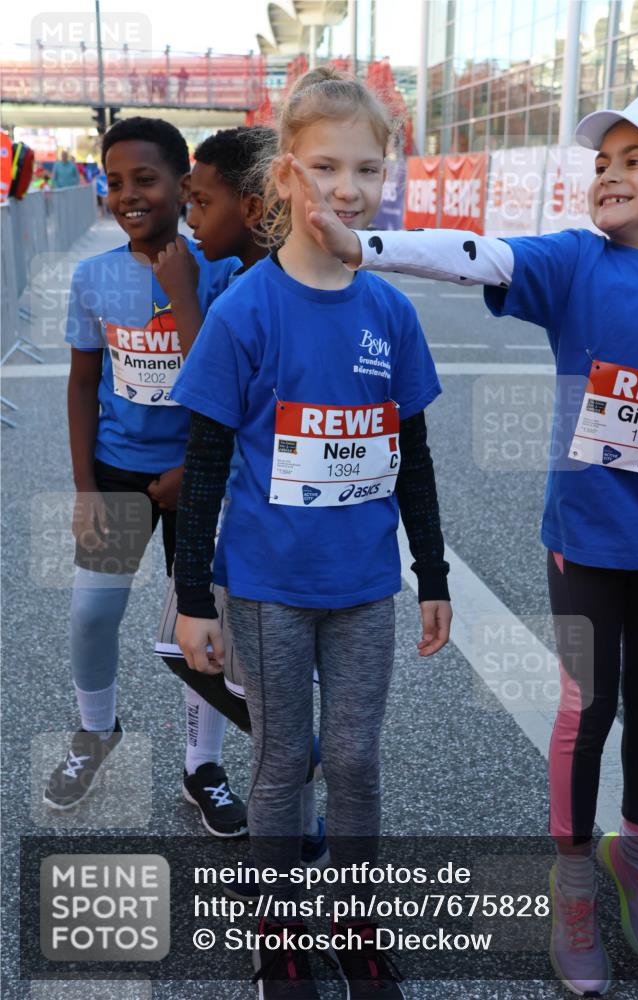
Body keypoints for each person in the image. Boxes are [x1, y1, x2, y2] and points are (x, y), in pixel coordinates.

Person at [290, 90, 638, 995]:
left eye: (637, 159)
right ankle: (574, 880)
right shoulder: (579, 263)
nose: (609, 174)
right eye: (601, 162)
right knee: (590, 706)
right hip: (588, 543)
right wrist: (367, 246)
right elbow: (476, 254)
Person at [172, 68, 452, 999]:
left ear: (387, 175)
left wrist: (436, 575)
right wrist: (189, 600)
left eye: (367, 168)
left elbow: (410, 455)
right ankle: (277, 928)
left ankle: (356, 915)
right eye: (326, 166)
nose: (348, 187)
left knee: (361, 757)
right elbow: (205, 464)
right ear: (287, 175)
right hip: (265, 589)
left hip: (366, 586)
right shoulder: (246, 309)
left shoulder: (391, 310)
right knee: (285, 756)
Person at [43, 116, 247, 841]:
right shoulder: (94, 277)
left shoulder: (221, 269)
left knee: (204, 629)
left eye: (147, 179)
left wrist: (194, 468)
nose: (129, 194)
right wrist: (85, 488)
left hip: (198, 475)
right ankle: (96, 732)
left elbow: (230, 387)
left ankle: (203, 767)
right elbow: (80, 383)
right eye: (116, 181)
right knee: (93, 614)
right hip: (117, 474)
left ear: (184, 184)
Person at [154, 124, 328, 862]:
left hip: (261, 520)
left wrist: (181, 294)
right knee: (206, 649)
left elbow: (222, 401)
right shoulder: (233, 276)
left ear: (254, 208)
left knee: (195, 650)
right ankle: (262, 775)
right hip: (234, 506)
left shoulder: (253, 290)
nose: (189, 218)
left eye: (200, 201)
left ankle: (299, 768)